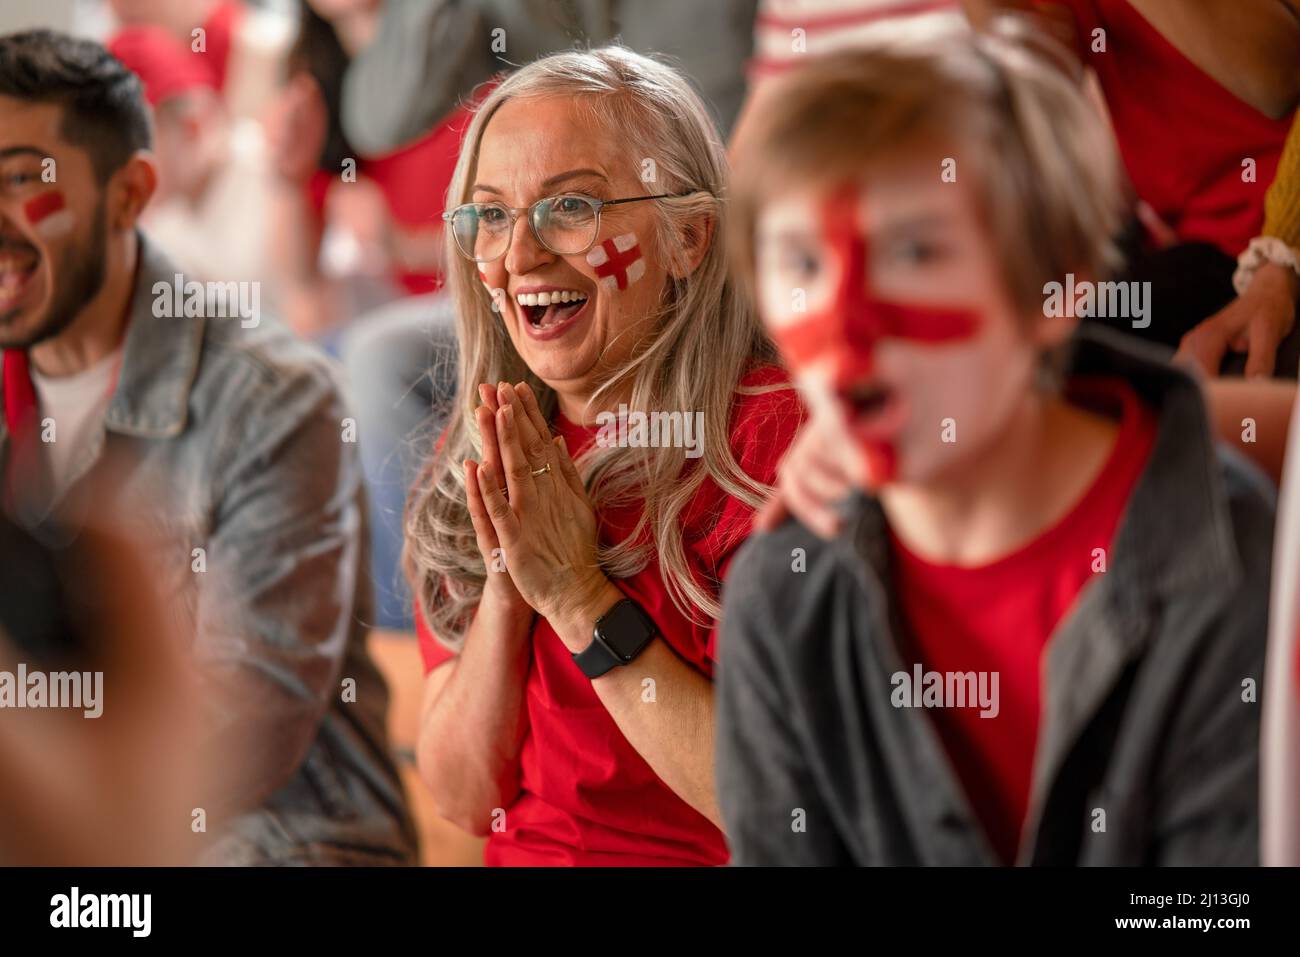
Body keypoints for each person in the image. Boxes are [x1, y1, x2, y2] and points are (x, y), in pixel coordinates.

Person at [717, 22, 1273, 865]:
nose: (847, 323)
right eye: (801, 262)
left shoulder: (1236, 557)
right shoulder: (785, 596)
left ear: (1053, 294)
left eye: (914, 251)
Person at [0, 29, 416, 865]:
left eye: (21, 183)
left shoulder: (275, 397)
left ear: (129, 195)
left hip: (280, 837)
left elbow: (252, 721)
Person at [403, 46, 801, 865]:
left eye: (571, 207)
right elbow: (461, 796)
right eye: (491, 217)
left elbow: (783, 806)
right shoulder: (486, 443)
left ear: (689, 238)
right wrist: (514, 587)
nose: (519, 259)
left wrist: (580, 598)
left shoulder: (776, 443)